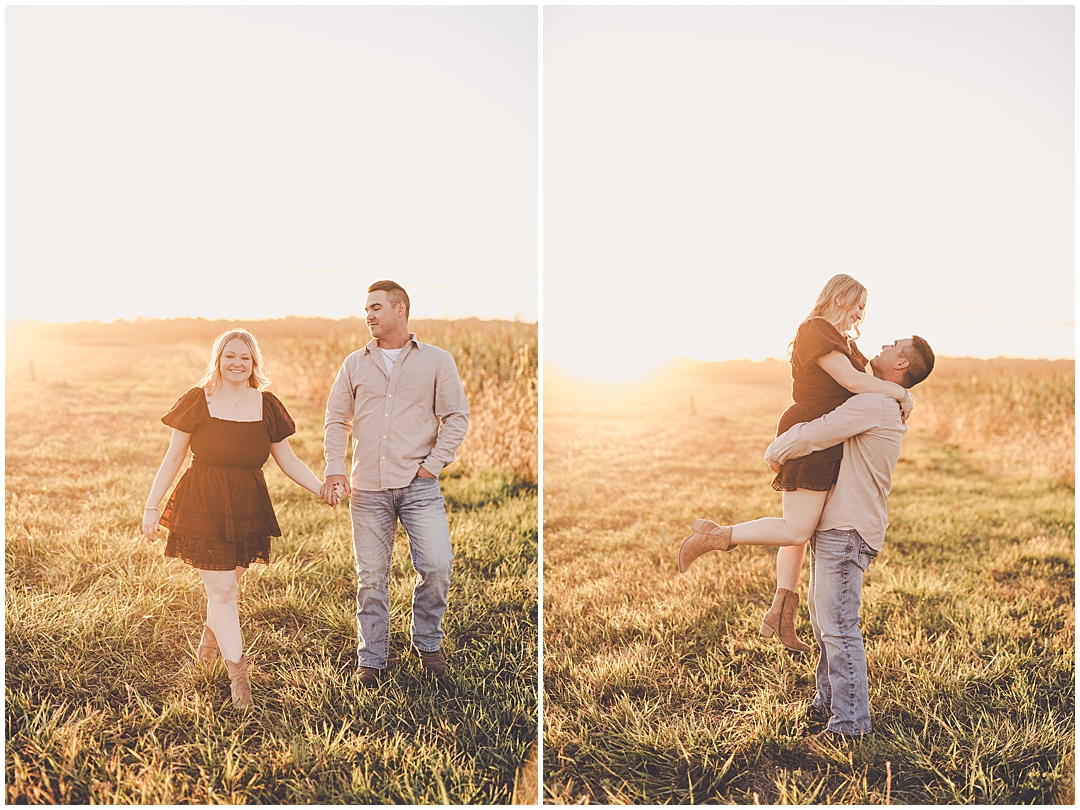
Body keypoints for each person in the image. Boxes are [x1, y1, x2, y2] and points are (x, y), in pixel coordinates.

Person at [678, 274, 913, 651]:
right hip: (810, 434)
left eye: (864, 308)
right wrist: (902, 393)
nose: (861, 313)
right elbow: (852, 383)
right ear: (840, 297)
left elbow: (858, 384)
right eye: (859, 304)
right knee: (796, 529)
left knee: (804, 527)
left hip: (827, 436)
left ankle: (782, 614)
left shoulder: (842, 339)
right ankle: (715, 536)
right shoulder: (816, 329)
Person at [142, 328, 328, 710]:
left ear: (254, 363)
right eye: (230, 356)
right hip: (204, 501)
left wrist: (321, 488)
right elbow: (173, 457)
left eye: (245, 357)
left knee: (227, 587)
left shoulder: (267, 404)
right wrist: (151, 506)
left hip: (248, 503)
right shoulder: (199, 400)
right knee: (224, 592)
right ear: (218, 360)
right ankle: (238, 680)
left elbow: (287, 459)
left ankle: (208, 647)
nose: (237, 363)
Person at [763, 336, 935, 736]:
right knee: (825, 621)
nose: (884, 346)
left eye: (894, 346)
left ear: (901, 366)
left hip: (849, 527)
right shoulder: (883, 399)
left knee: (838, 626)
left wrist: (775, 450)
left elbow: (816, 433)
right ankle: (828, 702)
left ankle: (850, 724)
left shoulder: (874, 404)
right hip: (838, 524)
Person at [321, 280, 469, 686]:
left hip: (418, 486)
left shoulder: (437, 361)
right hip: (367, 489)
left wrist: (432, 465)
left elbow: (456, 416)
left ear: (400, 309)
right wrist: (335, 466)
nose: (368, 315)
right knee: (371, 578)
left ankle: (428, 644)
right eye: (366, 309)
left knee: (437, 567)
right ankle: (371, 660)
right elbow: (337, 419)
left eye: (376, 308)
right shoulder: (354, 363)